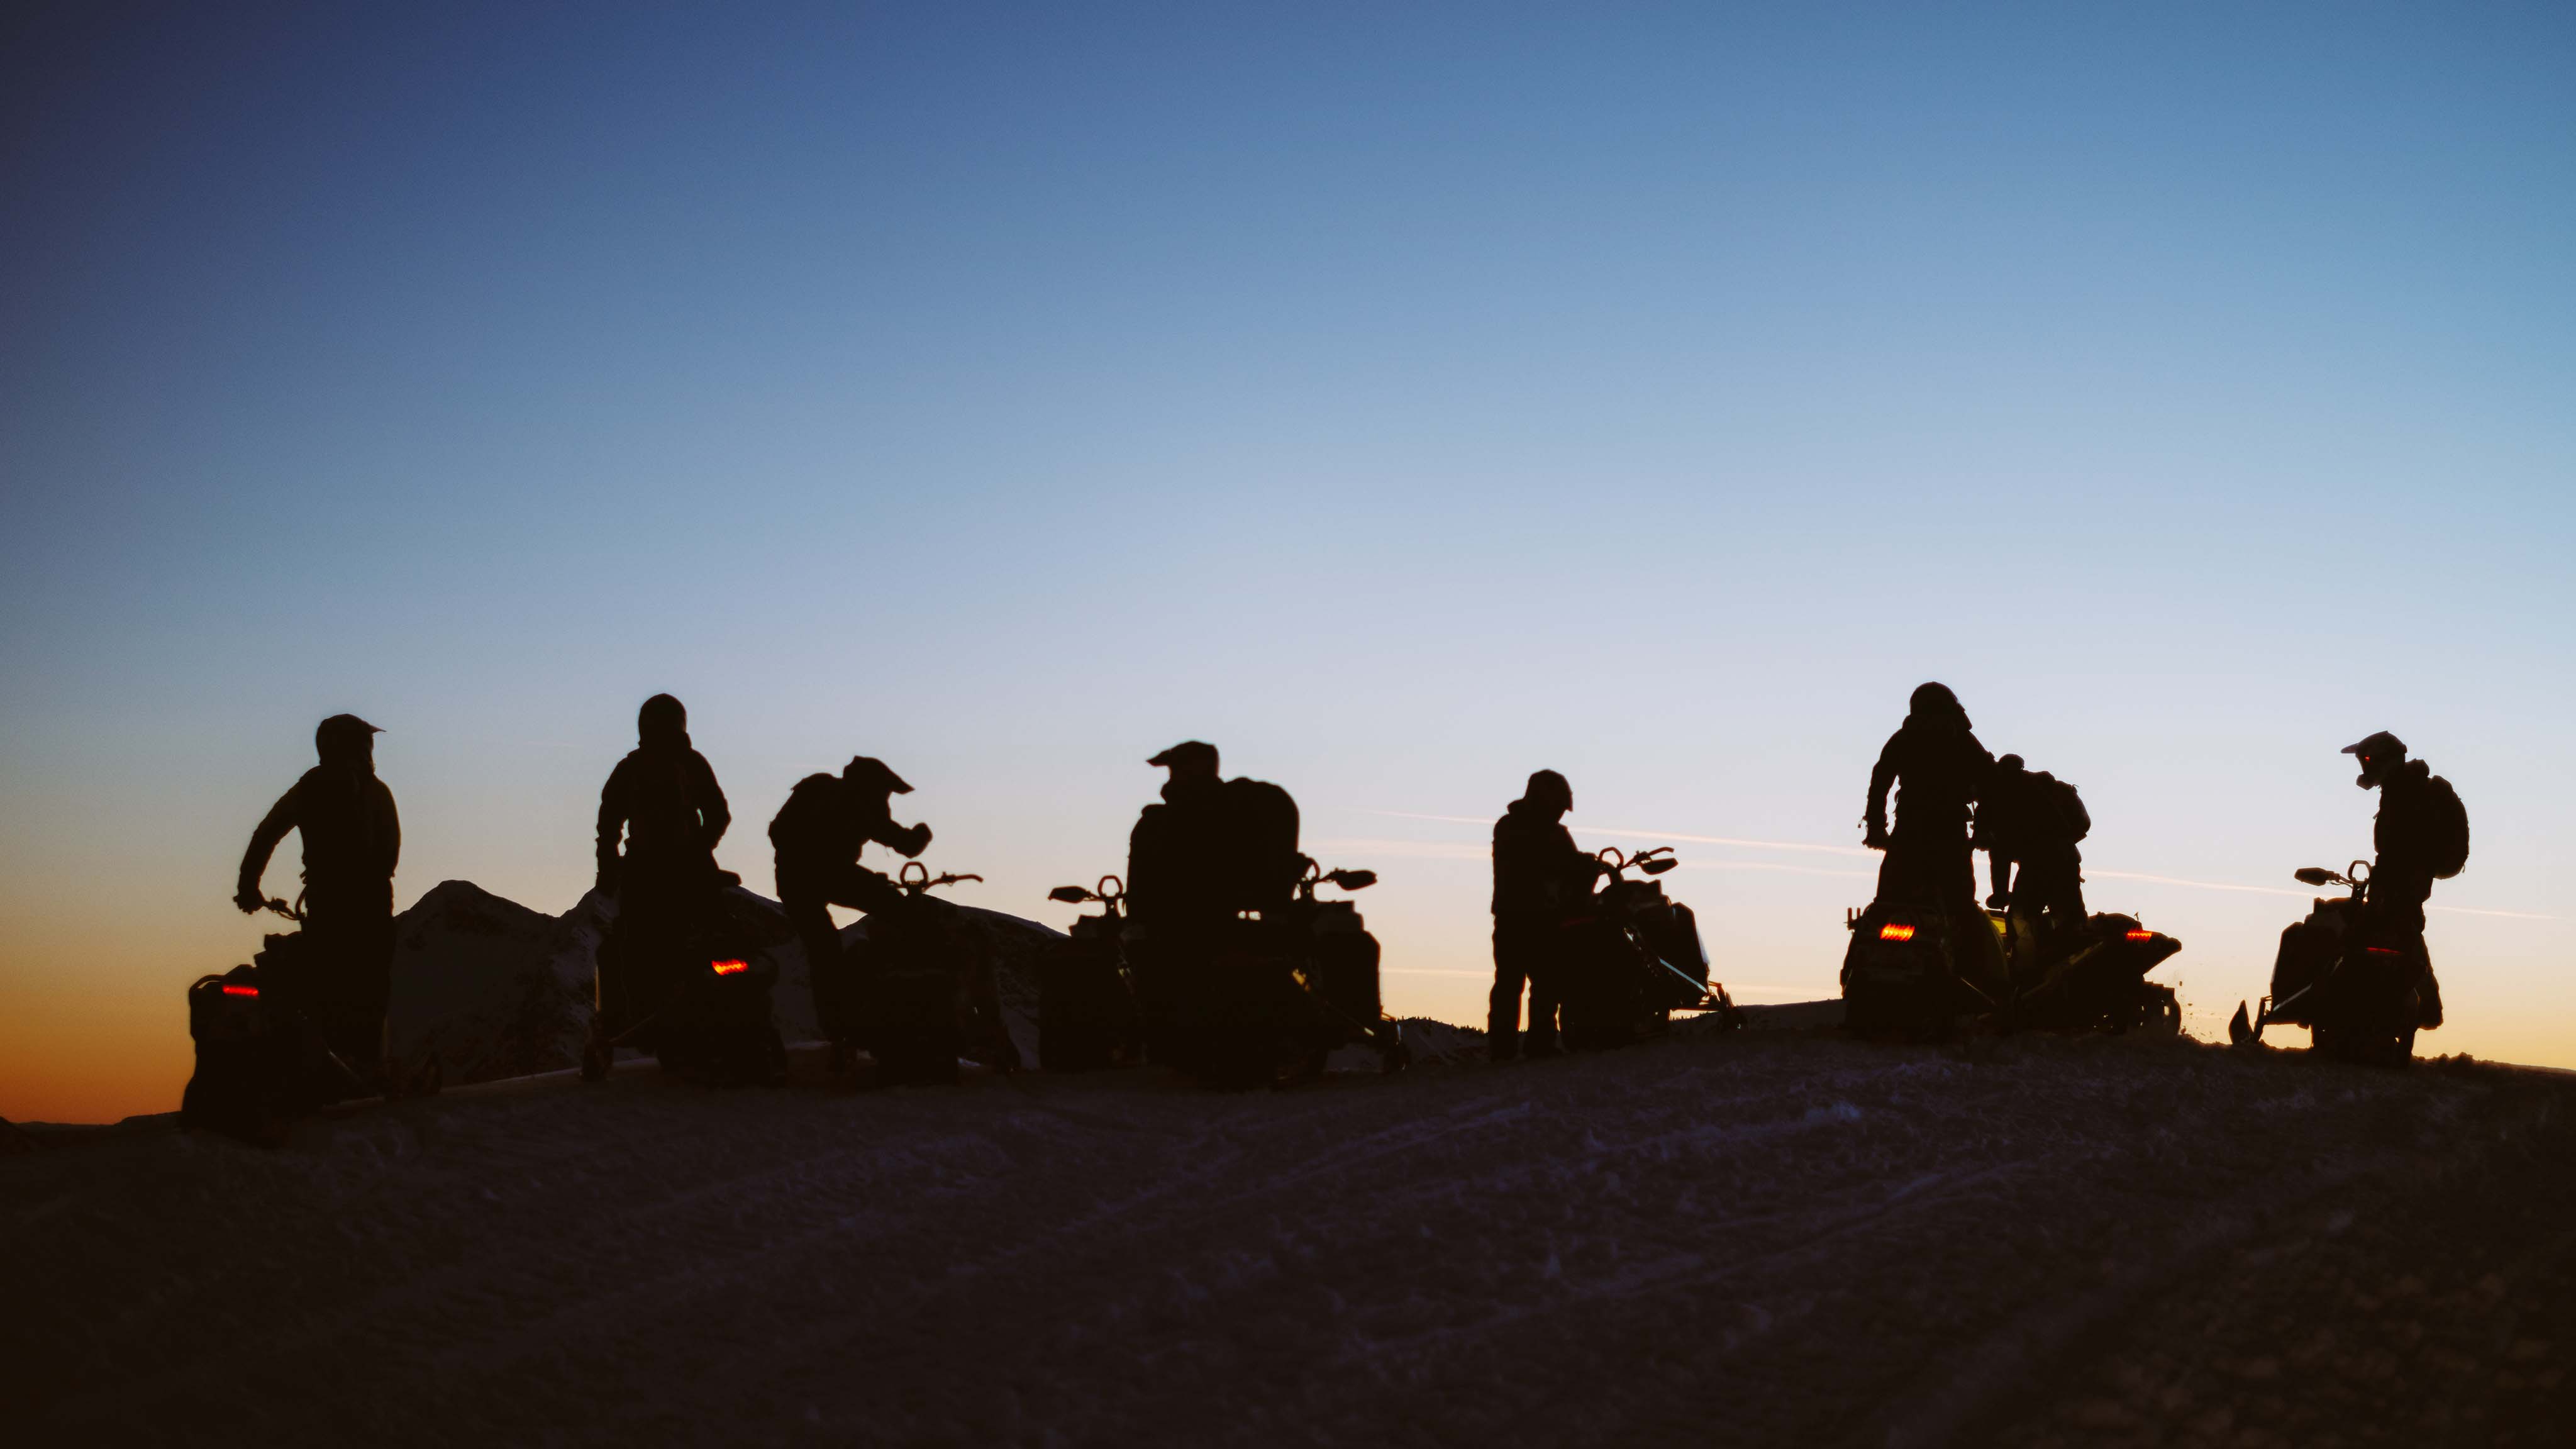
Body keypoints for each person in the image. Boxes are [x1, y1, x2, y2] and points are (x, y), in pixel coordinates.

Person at [236, 713, 401, 1090]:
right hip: (372, 901)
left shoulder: (311, 786)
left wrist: (249, 888)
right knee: (370, 984)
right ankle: (363, 1066)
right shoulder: (379, 792)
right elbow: (391, 852)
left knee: (327, 982)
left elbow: (267, 833)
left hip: (328, 901)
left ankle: (327, 1066)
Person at [592, 695, 731, 1046]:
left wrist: (608, 868)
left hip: (651, 869)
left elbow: (608, 825)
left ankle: (639, 1018)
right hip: (683, 868)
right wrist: (700, 849)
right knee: (713, 933)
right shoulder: (689, 763)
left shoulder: (633, 768)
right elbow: (718, 814)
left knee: (635, 945)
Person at [769, 757, 932, 1055]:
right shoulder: (859, 802)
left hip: (795, 878)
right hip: (829, 873)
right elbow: (905, 844)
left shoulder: (817, 788)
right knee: (901, 913)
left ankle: (839, 1026)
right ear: (873, 786)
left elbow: (777, 832)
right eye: (885, 791)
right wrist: (923, 833)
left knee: (824, 947)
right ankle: (900, 1000)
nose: (886, 798)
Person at [1489, 769, 1604, 1062]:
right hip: (1518, 917)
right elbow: (1539, 862)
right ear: (1542, 800)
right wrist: (1578, 867)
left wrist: (1586, 865)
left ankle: (1539, 1044)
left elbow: (1567, 865)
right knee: (1512, 985)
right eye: (1557, 808)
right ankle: (1504, 1049)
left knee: (1547, 983)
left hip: (1546, 917)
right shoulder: (1511, 827)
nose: (1560, 815)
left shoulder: (1553, 832)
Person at [1862, 682, 1996, 913]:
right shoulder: (1964, 740)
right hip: (1950, 832)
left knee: (1887, 904)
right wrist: (1983, 830)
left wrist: (1875, 828)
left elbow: (1880, 781)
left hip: (1909, 829)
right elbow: (1989, 785)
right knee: (1961, 909)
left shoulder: (1904, 737)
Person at [1975, 753, 2090, 931]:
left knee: (2020, 920)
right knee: (2072, 916)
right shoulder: (2043, 788)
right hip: (2068, 857)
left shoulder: (1996, 799)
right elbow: (2080, 825)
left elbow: (2000, 856)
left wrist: (2000, 895)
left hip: (2037, 865)